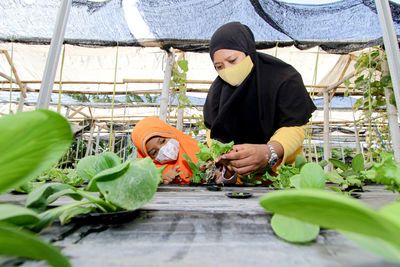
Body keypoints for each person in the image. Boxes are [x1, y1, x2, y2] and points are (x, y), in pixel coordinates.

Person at [204, 22, 316, 178]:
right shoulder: (217, 92)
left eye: (232, 60)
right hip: (240, 178)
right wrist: (224, 153)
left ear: (248, 51)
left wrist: (268, 152)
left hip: (282, 174)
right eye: (219, 66)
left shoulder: (284, 79)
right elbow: (212, 132)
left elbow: (294, 127)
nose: (227, 70)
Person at [131, 116, 199, 184]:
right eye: (154, 152)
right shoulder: (152, 177)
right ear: (148, 158)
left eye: (163, 141)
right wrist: (161, 181)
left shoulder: (200, 153)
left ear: (170, 133)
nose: (163, 151)